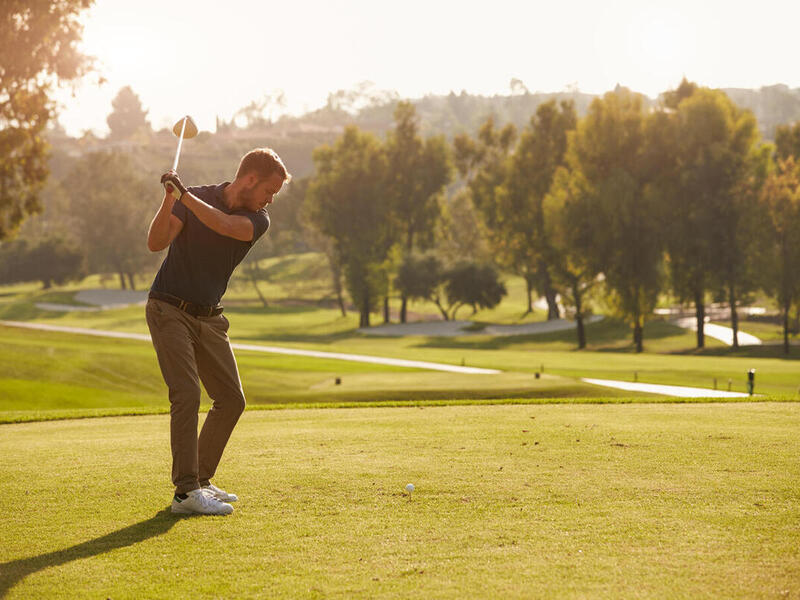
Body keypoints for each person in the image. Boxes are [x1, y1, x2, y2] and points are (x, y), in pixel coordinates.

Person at [146, 148, 290, 516]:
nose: (270, 200)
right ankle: (185, 493)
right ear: (250, 179)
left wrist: (183, 196)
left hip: (209, 317)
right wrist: (169, 200)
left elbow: (225, 226)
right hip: (168, 308)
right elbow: (156, 242)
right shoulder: (193, 197)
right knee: (187, 393)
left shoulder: (257, 219)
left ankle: (201, 479)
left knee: (231, 398)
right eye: (269, 191)